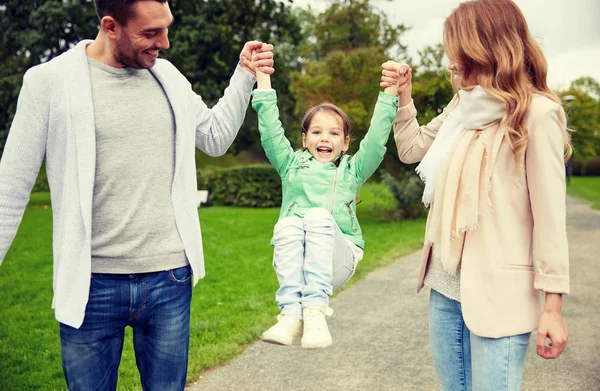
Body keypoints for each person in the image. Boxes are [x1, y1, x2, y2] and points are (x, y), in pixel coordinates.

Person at [0, 0, 274, 390]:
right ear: (110, 26)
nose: (164, 43)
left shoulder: (168, 76)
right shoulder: (49, 82)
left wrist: (244, 74)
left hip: (169, 279)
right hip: (90, 284)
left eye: (166, 28)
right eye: (150, 33)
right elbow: (10, 187)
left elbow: (215, 137)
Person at [380, 0, 570, 389]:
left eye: (455, 47)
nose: (450, 60)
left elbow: (551, 221)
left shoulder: (537, 115)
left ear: (483, 46)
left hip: (500, 295)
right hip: (446, 287)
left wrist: (553, 307)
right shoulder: (463, 107)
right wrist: (404, 98)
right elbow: (413, 149)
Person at [249, 57, 399, 349]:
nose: (324, 138)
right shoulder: (290, 165)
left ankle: (315, 313)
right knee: (290, 223)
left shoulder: (352, 170)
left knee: (316, 218)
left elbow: (378, 138)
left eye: (333, 133)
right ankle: (291, 314)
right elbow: (270, 131)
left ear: (345, 143)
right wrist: (262, 78)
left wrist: (390, 91)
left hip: (338, 259)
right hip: (297, 261)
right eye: (316, 132)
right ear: (304, 139)